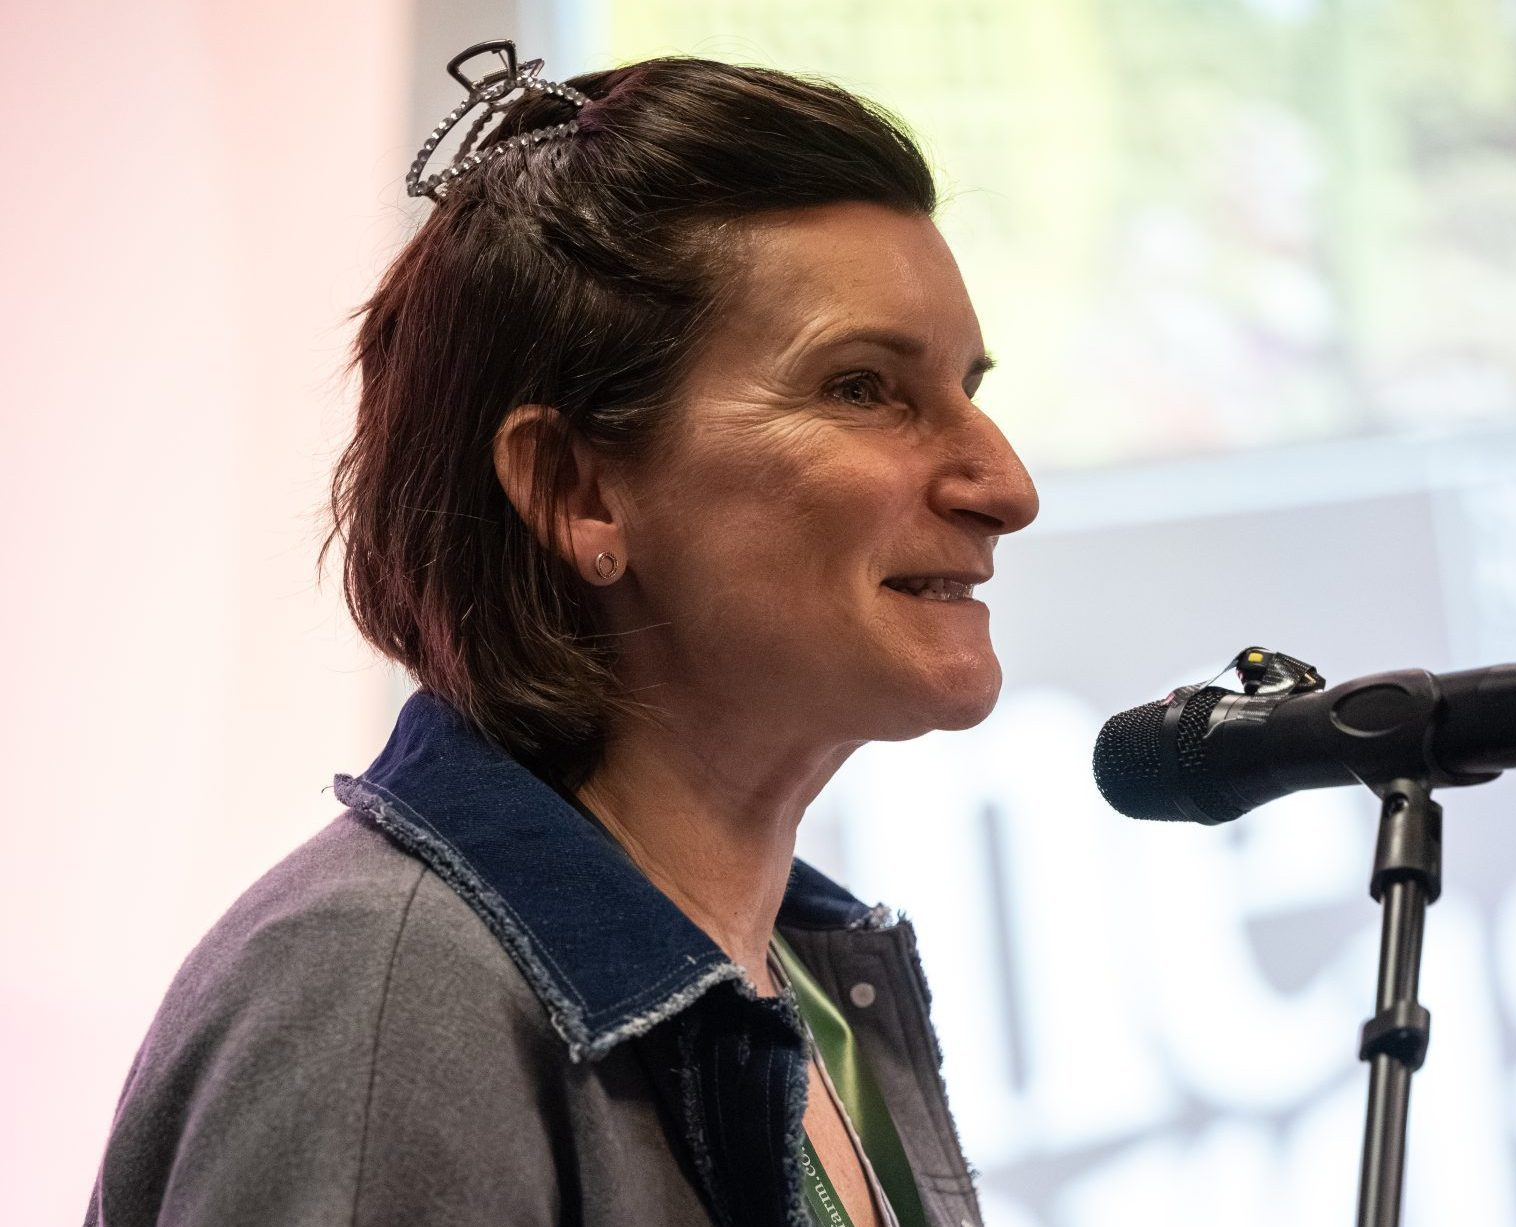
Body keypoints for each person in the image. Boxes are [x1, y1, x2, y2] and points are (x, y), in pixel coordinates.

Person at [85, 40, 1038, 1227]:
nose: (1005, 487)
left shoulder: (805, 980)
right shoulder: (390, 999)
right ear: (577, 490)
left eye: (968, 390)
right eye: (861, 387)